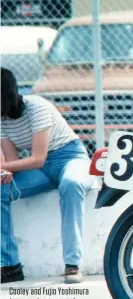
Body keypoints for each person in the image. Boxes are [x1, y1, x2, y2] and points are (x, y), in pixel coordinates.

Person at [1, 68, 95, 284]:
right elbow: (13, 158)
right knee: (1, 190)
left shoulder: (37, 107)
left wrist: (6, 166)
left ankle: (73, 265)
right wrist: (6, 171)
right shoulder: (2, 118)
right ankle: (10, 266)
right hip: (41, 171)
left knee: (71, 184)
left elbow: (38, 158)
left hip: (70, 158)